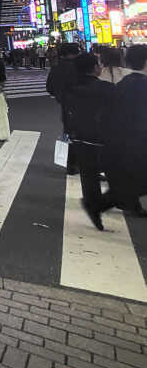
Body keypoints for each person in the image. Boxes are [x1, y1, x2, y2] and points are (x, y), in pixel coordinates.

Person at [63, 52, 114, 230]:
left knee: (88, 173)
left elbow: (65, 113)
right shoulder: (106, 88)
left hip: (79, 136)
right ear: (95, 68)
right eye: (99, 63)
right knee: (117, 172)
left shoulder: (70, 88)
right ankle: (102, 204)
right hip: (102, 137)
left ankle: (93, 205)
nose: (101, 66)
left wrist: (70, 131)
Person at [100, 44, 147, 221]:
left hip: (120, 138)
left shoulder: (126, 82)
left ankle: (125, 202)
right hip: (136, 139)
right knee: (139, 176)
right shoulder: (140, 85)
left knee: (133, 175)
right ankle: (104, 202)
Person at [46, 42, 81, 174]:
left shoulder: (56, 68)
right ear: (70, 54)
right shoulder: (78, 67)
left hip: (65, 104)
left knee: (69, 133)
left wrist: (60, 95)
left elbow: (49, 88)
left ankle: (71, 164)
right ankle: (83, 164)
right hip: (82, 103)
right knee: (84, 135)